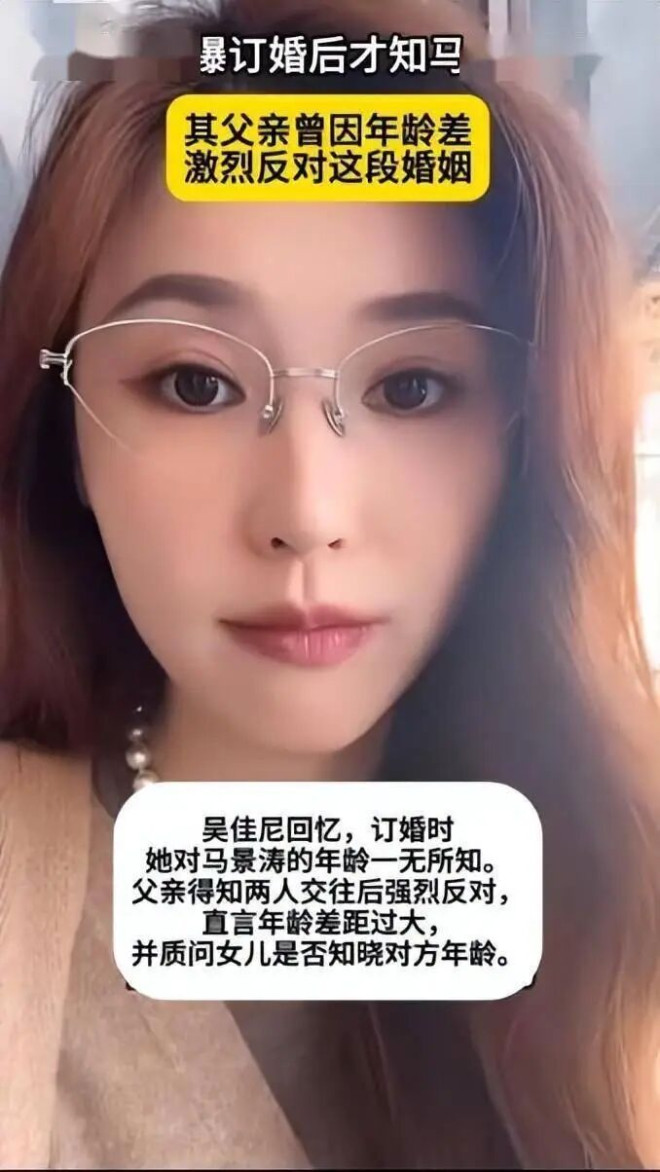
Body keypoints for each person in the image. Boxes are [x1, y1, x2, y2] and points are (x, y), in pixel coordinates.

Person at [1, 0, 659, 1167]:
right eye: (195, 384)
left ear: (525, 444)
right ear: (69, 436)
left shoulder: (618, 885)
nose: (307, 514)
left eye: (412, 388)